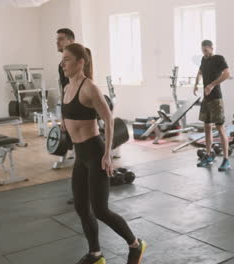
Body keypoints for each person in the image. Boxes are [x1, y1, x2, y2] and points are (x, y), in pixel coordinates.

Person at [61, 43, 146, 264]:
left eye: (67, 59)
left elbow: (108, 119)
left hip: (95, 153)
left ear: (81, 62)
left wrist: (107, 154)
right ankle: (95, 254)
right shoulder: (66, 87)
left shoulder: (90, 88)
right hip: (80, 155)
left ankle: (135, 245)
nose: (63, 64)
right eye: (63, 59)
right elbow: (70, 116)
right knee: (81, 206)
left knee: (100, 210)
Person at [193, 40, 231, 171]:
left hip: (216, 99)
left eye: (206, 50)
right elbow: (200, 72)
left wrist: (212, 85)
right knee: (207, 127)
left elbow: (227, 74)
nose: (204, 53)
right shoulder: (204, 60)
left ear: (211, 48)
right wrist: (196, 84)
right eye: (202, 50)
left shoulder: (219, 59)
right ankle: (209, 156)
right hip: (206, 99)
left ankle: (226, 160)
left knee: (220, 128)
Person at [56, 27, 76, 205]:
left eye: (61, 39)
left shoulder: (81, 58)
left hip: (80, 112)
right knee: (78, 154)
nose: (57, 42)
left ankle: (83, 193)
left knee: (82, 156)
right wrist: (63, 116)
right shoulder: (61, 65)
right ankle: (81, 193)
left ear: (70, 41)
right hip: (69, 112)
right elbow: (63, 92)